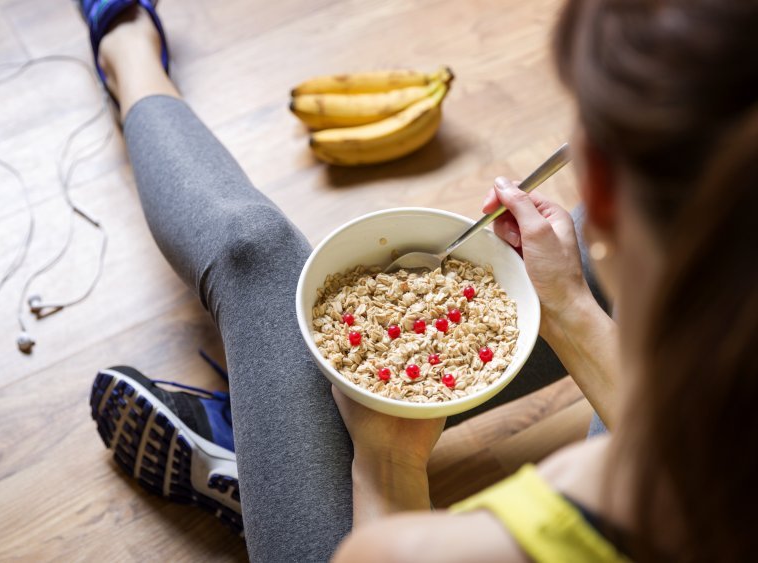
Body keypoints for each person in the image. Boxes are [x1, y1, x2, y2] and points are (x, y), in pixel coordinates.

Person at [82, 0, 758, 561]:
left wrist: (387, 457)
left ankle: (128, 45)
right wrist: (570, 307)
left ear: (603, 185)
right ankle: (273, 453)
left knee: (252, 253)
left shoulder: (519, 529)